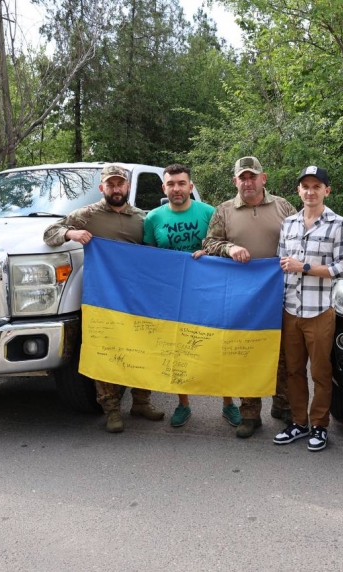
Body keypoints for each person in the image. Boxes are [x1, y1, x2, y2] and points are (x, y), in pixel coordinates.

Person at [43, 164, 165, 433]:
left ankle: (141, 402)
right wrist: (71, 233)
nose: (116, 188)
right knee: (107, 352)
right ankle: (111, 409)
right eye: (110, 184)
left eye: (120, 184)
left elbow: (155, 252)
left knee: (143, 349)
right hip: (104, 298)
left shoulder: (142, 219)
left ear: (127, 187)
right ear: (102, 188)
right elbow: (50, 232)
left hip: (137, 297)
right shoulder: (88, 215)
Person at [202, 156, 297, 438]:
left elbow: (301, 238)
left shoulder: (284, 207)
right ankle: (249, 414)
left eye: (252, 176)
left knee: (282, 353)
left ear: (263, 178)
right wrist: (229, 248)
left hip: (280, 293)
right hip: (241, 296)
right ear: (235, 181)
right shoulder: (224, 211)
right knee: (245, 353)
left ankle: (283, 405)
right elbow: (209, 242)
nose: (247, 182)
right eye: (242, 178)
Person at [143, 164, 242, 428]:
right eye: (171, 184)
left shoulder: (209, 212)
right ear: (164, 188)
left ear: (190, 186)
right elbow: (148, 259)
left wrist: (210, 254)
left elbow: (221, 246)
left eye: (181, 183)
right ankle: (183, 404)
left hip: (209, 292)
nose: (177, 188)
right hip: (173, 296)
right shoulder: (153, 218)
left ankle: (228, 403)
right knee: (178, 350)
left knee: (217, 347)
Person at [273, 165, 343, 452]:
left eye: (316, 186)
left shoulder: (338, 223)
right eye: (305, 186)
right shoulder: (288, 224)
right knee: (293, 371)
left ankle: (319, 426)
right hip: (290, 310)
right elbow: (279, 264)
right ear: (298, 191)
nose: (310, 191)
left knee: (320, 372)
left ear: (326, 191)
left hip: (319, 311)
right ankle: (298, 422)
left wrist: (304, 267)